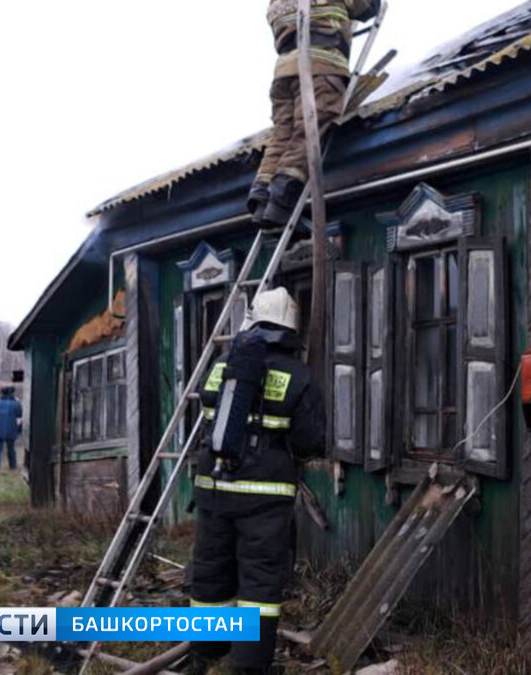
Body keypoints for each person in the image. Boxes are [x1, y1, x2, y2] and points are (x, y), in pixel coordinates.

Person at [187, 288, 326, 674]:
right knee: (260, 582)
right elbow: (310, 442)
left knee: (212, 571)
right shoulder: (299, 375)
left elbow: (209, 409)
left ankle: (206, 653)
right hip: (264, 497)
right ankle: (247, 665)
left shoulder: (222, 364)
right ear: (290, 328)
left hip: (213, 487)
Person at [247, 0, 381, 228]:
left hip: (284, 73)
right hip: (320, 69)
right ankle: (281, 199)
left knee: (282, 136)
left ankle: (261, 196)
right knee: (307, 131)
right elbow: (365, 8)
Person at [0, 386, 23, 470]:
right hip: (11, 431)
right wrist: (18, 430)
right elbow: (21, 418)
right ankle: (12, 466)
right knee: (11, 450)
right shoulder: (16, 405)